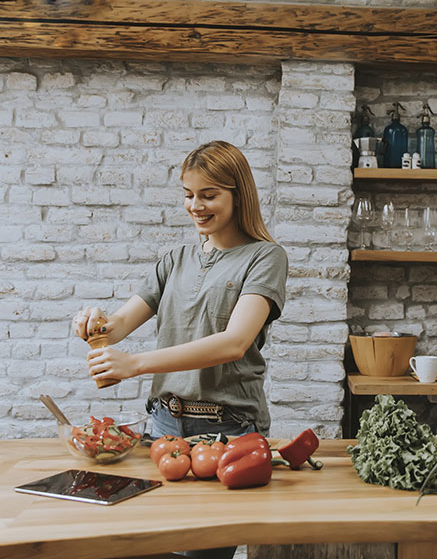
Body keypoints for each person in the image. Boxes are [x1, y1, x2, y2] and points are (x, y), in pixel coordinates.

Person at [73, 140, 288, 559]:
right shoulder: (176, 259)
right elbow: (117, 326)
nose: (196, 206)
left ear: (238, 195)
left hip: (229, 430)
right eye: (188, 195)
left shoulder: (265, 257)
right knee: (149, 546)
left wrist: (134, 365)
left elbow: (234, 342)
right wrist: (93, 321)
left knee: (202, 553)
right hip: (164, 427)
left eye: (209, 195)